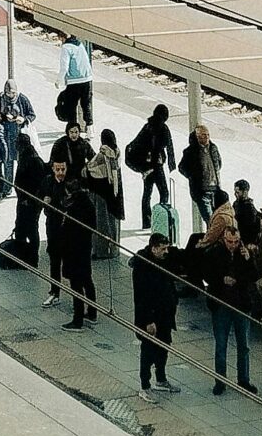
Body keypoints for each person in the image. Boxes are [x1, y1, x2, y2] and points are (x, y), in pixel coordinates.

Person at [205, 225, 260, 397]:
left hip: (241, 304)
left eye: (236, 242)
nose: (233, 245)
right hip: (221, 304)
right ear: (224, 239)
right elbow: (206, 274)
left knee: (244, 346)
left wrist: (249, 259)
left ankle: (243, 379)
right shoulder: (214, 253)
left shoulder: (243, 253)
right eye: (230, 241)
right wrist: (221, 279)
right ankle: (220, 381)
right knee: (221, 345)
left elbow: (253, 276)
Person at [44, 157, 97, 328]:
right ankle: (92, 312)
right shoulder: (87, 205)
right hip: (85, 249)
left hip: (74, 252)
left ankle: (78, 319)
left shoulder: (73, 211)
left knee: (76, 285)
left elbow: (67, 233)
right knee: (87, 280)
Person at [131, 231, 181, 395]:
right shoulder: (143, 267)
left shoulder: (164, 260)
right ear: (154, 249)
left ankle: (161, 378)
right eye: (163, 248)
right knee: (148, 351)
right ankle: (145, 385)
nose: (167, 252)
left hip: (166, 314)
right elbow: (141, 297)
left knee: (164, 347)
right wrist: (148, 320)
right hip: (150, 317)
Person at [126, 102, 176, 228]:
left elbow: (137, 142)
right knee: (164, 192)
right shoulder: (163, 128)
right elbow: (169, 146)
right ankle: (160, 218)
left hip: (146, 167)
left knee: (147, 193)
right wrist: (171, 162)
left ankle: (147, 222)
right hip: (157, 166)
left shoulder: (147, 126)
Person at [85, 127, 125, 260]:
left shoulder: (103, 155)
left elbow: (91, 170)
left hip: (101, 195)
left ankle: (101, 252)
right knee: (114, 224)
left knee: (100, 224)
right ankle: (114, 250)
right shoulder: (117, 153)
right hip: (115, 195)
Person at [12, 130, 49, 265]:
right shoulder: (25, 156)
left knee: (31, 228)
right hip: (24, 200)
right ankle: (22, 255)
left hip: (31, 202)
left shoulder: (33, 160)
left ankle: (32, 258)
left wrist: (30, 198)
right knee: (21, 227)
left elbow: (39, 183)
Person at [178, 124, 224, 229]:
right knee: (211, 221)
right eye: (203, 135)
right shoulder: (191, 151)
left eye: (208, 135)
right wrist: (193, 176)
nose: (207, 137)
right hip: (202, 191)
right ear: (197, 137)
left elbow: (219, 163)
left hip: (215, 189)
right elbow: (182, 167)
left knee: (219, 219)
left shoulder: (213, 148)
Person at [0, 78, 35, 169]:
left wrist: (23, 119)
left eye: (13, 93)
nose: (10, 96)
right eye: (8, 93)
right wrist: (4, 117)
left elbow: (32, 114)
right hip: (6, 136)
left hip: (19, 136)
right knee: (7, 164)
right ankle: (8, 183)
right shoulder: (0, 98)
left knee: (21, 164)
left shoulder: (22, 99)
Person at [55, 36, 92, 128]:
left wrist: (59, 80)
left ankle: (73, 129)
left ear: (62, 37)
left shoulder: (66, 47)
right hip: (87, 78)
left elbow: (64, 66)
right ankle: (90, 130)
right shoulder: (80, 44)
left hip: (74, 81)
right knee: (86, 105)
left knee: (71, 107)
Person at [231, 180, 260, 246]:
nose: (235, 194)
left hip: (245, 241)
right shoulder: (236, 203)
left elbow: (251, 228)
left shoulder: (249, 207)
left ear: (245, 192)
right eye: (235, 191)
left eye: (238, 192)